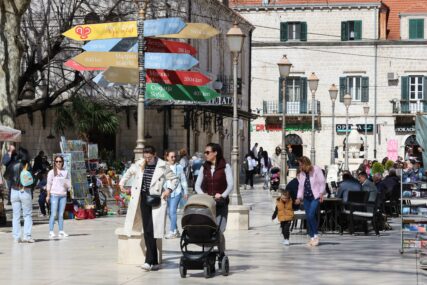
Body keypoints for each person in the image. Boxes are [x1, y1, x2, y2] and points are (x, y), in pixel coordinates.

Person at [119, 145, 178, 271]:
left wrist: (168, 190)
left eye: (149, 157)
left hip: (156, 199)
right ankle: (153, 261)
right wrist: (122, 184)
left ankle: (149, 261)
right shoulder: (139, 163)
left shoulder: (163, 166)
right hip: (142, 198)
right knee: (147, 229)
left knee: (152, 229)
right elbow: (128, 173)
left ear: (155, 154)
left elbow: (174, 179)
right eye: (145, 157)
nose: (147, 160)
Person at [195, 143, 233, 234]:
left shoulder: (225, 166)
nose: (205, 154)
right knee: (208, 228)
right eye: (205, 152)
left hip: (221, 203)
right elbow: (197, 185)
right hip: (207, 203)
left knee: (220, 229)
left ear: (215, 153)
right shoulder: (203, 167)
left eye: (207, 152)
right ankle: (209, 247)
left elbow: (230, 185)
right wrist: (203, 195)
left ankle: (219, 246)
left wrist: (222, 195)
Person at [295, 156, 325, 247]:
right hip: (306, 198)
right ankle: (312, 237)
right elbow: (301, 187)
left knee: (311, 214)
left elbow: (322, 182)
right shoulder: (302, 173)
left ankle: (316, 235)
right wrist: (299, 197)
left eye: (301, 164)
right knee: (308, 216)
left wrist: (321, 193)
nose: (300, 167)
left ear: (305, 163)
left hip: (315, 196)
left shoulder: (316, 169)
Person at [9, 147, 34, 243]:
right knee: (27, 214)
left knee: (16, 215)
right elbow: (31, 179)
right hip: (24, 191)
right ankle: (27, 236)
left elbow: (7, 176)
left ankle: (16, 237)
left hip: (14, 191)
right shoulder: (26, 164)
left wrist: (10, 152)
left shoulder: (12, 163)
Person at [164, 150, 188, 239]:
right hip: (166, 193)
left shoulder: (179, 167)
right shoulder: (163, 167)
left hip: (176, 192)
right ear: (167, 157)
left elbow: (183, 179)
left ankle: (172, 231)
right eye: (172, 157)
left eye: (174, 157)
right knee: (169, 213)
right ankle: (176, 230)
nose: (174, 158)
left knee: (172, 211)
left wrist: (185, 191)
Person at [46, 155, 71, 239]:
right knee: (53, 214)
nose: (58, 163)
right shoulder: (51, 172)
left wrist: (68, 186)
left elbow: (68, 184)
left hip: (63, 195)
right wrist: (48, 195)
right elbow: (48, 184)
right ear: (54, 162)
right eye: (57, 161)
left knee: (60, 214)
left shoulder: (65, 172)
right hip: (54, 195)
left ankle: (61, 231)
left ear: (62, 162)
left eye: (60, 161)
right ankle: (51, 231)